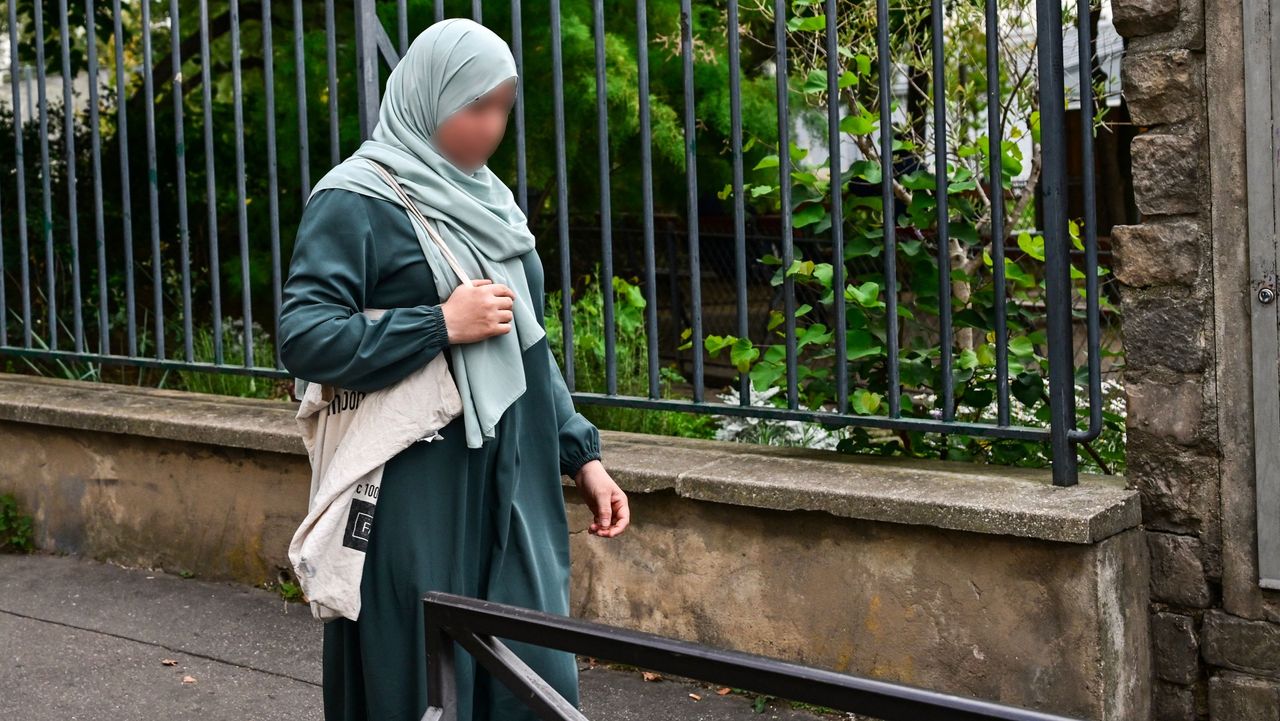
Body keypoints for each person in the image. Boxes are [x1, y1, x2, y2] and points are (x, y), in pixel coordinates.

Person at [278, 17, 631, 721]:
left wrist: (582, 455)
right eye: (475, 106)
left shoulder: (489, 202)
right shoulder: (355, 199)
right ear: (428, 97)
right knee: (418, 673)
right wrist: (440, 322)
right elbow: (305, 335)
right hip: (420, 485)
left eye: (503, 106)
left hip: (516, 482)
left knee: (534, 675)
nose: (492, 126)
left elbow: (527, 346)